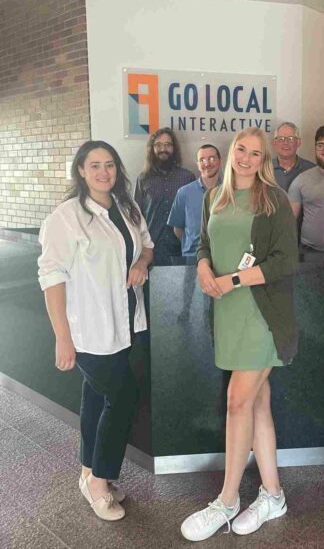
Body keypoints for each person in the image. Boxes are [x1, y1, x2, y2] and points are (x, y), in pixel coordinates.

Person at [180, 128, 299, 542]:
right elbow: (202, 245)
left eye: (256, 153)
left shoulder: (274, 200)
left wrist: (231, 279)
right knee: (258, 403)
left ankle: (227, 500)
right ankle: (273, 495)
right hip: (229, 315)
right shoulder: (215, 197)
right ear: (232, 153)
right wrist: (201, 267)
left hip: (262, 315)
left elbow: (287, 261)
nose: (246, 159)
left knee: (236, 401)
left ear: (265, 159)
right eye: (241, 150)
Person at [38, 140, 154, 521]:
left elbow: (147, 246)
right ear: (81, 172)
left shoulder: (128, 207)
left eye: (109, 165)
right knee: (123, 398)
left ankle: (89, 471)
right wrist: (61, 337)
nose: (104, 172)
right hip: (88, 329)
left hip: (125, 324)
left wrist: (140, 263)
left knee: (96, 399)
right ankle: (101, 480)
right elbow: (52, 277)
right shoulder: (66, 216)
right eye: (94, 166)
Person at [134, 127, 195, 262]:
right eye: (159, 145)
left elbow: (194, 217)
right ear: (152, 148)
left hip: (182, 250)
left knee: (183, 284)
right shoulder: (143, 179)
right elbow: (136, 216)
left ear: (174, 148)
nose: (163, 149)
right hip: (151, 251)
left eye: (168, 145)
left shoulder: (187, 177)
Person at [167, 144, 222, 256]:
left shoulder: (231, 191)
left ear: (220, 161)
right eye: (202, 160)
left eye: (212, 158)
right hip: (192, 259)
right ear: (198, 165)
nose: (207, 163)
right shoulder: (184, 193)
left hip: (222, 258)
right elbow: (178, 229)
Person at [272, 122, 315, 191]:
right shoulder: (264, 170)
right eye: (281, 139)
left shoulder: (311, 170)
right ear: (274, 143)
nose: (285, 143)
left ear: (298, 142)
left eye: (291, 139)